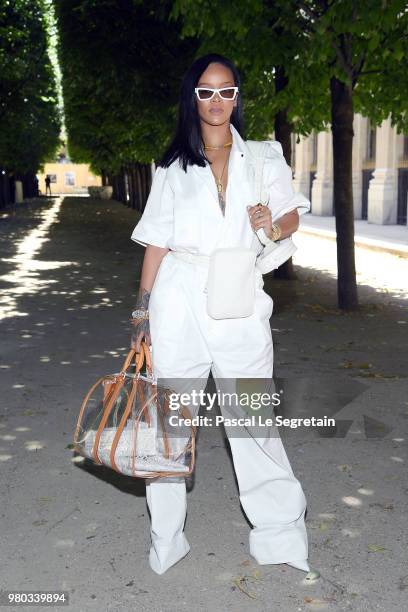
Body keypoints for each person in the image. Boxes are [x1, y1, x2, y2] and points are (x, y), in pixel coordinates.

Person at [130, 53, 320, 579]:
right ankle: (166, 538)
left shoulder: (264, 156)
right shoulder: (171, 164)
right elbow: (156, 244)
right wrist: (141, 313)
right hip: (178, 297)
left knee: (255, 420)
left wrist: (273, 226)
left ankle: (280, 535)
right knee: (170, 420)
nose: (217, 101)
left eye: (227, 90)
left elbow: (290, 214)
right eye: (206, 92)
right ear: (193, 97)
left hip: (239, 293)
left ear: (237, 97)